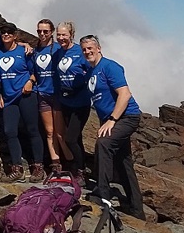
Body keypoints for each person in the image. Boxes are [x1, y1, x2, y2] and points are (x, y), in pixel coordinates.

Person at [80, 35, 145, 220]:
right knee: (123, 162)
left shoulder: (109, 66)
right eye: (84, 49)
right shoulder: (91, 70)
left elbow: (124, 94)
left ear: (99, 48)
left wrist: (112, 120)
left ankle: (102, 194)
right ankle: (137, 210)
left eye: (91, 48)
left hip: (126, 117)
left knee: (103, 144)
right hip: (112, 119)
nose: (87, 52)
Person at [0, 23, 44, 183]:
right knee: (10, 131)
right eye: (3, 31)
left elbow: (37, 71)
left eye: (9, 32)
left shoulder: (24, 52)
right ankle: (17, 168)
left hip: (26, 94)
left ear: (15, 35)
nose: (6, 34)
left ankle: (38, 166)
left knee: (32, 129)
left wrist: (31, 81)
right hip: (8, 97)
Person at [33, 18, 72, 174]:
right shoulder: (35, 50)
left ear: (52, 32)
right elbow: (34, 72)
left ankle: (71, 163)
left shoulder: (58, 49)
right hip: (42, 94)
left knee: (60, 132)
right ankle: (55, 164)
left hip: (57, 94)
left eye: (46, 31)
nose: (42, 34)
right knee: (49, 132)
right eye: (39, 31)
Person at [55, 21, 91, 186]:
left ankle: (80, 171)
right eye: (59, 35)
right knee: (76, 139)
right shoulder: (58, 53)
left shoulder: (79, 51)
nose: (61, 38)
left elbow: (91, 71)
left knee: (70, 139)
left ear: (71, 35)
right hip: (65, 102)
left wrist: (79, 86)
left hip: (81, 103)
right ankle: (78, 170)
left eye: (64, 35)